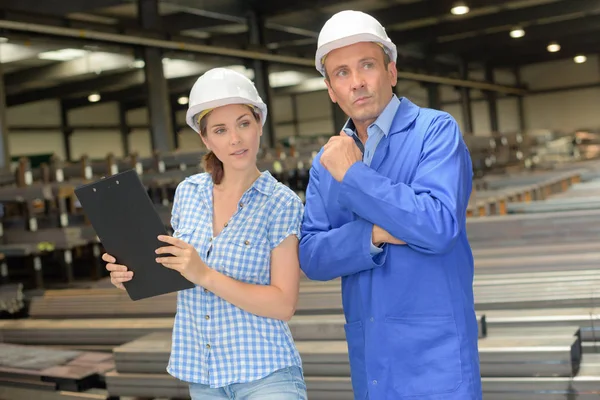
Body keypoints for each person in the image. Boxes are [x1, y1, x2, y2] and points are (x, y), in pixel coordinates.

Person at [298, 10, 482, 400]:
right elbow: (313, 255)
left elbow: (437, 226)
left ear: (392, 72)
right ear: (331, 89)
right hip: (373, 362)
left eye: (367, 65)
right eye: (342, 73)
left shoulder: (436, 131)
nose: (358, 82)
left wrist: (353, 174)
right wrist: (375, 233)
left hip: (437, 358)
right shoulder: (325, 161)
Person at [103, 67, 307, 400]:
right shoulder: (189, 193)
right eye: (221, 130)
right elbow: (175, 266)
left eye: (244, 123)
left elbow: (284, 304)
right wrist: (130, 271)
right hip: (204, 376)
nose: (235, 139)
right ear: (205, 138)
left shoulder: (280, 202)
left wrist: (204, 274)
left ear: (259, 124)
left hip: (265, 375)